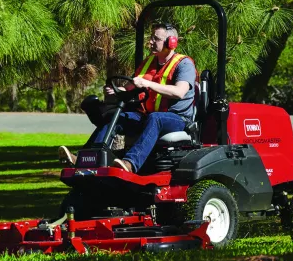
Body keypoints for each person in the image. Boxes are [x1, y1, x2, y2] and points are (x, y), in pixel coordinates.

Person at [59, 23, 196, 173]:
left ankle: (130, 163)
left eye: (155, 39)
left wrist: (147, 83)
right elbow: (132, 87)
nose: (150, 41)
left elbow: (179, 92)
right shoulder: (149, 62)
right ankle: (85, 159)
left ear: (171, 42)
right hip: (147, 116)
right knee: (116, 117)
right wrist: (116, 90)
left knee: (156, 118)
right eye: (151, 37)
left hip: (177, 119)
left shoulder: (184, 64)